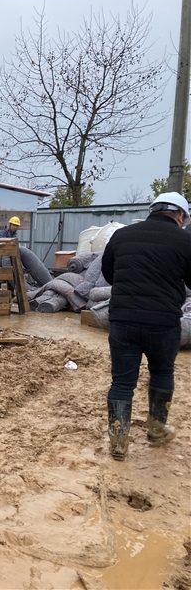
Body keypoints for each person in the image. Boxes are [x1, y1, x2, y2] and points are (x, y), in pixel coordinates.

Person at [101, 191, 191, 461]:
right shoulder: (185, 240)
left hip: (123, 321)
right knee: (162, 372)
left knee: (122, 381)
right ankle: (156, 429)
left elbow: (109, 274)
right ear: (180, 215)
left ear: (152, 210)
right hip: (163, 322)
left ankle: (119, 442)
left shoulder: (121, 235)